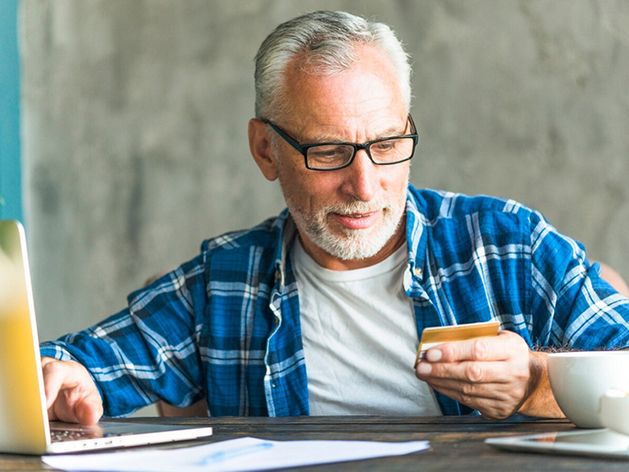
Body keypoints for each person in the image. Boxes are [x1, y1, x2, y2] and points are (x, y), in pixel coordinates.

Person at [40, 10, 629, 426]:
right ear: (265, 150)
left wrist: (533, 381)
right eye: (327, 153)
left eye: (388, 144)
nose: (365, 185)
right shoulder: (225, 284)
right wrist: (65, 382)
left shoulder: (506, 246)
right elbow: (70, 367)